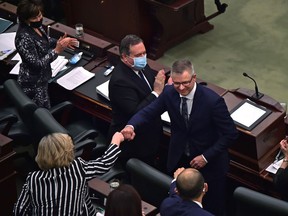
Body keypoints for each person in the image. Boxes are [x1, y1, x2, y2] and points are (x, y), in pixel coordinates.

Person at [121, 59, 238, 216]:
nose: (181, 88)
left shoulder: (213, 101)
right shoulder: (170, 93)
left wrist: (205, 157)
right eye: (177, 83)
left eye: (185, 83)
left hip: (210, 167)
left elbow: (230, 134)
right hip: (180, 159)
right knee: (178, 203)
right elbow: (149, 111)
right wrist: (131, 126)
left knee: (211, 209)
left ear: (194, 78)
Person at [13, 132, 124, 215]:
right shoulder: (77, 168)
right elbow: (105, 162)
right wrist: (116, 139)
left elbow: (19, 211)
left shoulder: (33, 179)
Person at [108, 34, 166, 167]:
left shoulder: (142, 66)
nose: (143, 58)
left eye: (144, 53)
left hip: (152, 132)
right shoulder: (120, 81)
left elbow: (153, 85)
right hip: (136, 143)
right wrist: (156, 92)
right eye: (138, 55)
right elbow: (135, 112)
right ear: (124, 57)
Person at [15, 0, 78, 108]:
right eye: (35, 17)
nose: (39, 19)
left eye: (39, 15)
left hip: (43, 79)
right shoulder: (23, 37)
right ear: (25, 20)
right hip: (33, 84)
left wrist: (60, 42)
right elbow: (37, 64)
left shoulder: (36, 26)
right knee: (41, 114)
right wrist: (57, 50)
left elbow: (45, 41)